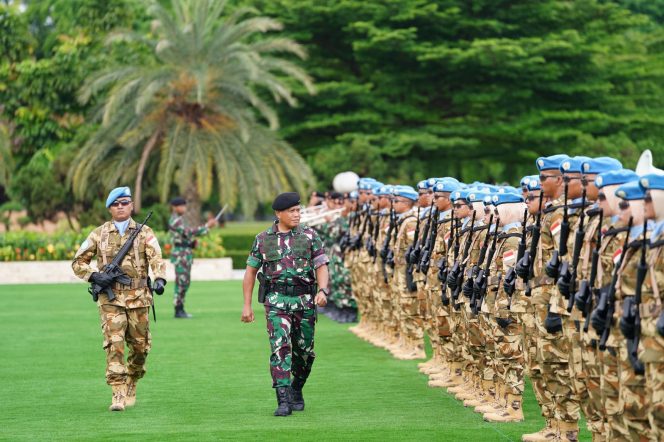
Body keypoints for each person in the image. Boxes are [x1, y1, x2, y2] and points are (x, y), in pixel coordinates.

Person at [72, 186, 166, 411]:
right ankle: (117, 393)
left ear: (132, 205)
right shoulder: (98, 234)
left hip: (139, 298)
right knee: (114, 345)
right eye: (116, 204)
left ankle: (132, 380)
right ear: (109, 208)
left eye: (125, 202)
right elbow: (78, 262)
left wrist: (160, 278)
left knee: (140, 348)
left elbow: (157, 258)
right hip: (110, 299)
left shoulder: (145, 232)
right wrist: (95, 276)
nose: (121, 207)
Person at [241, 192, 330, 417]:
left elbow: (321, 265)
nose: (297, 214)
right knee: (280, 349)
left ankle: (296, 388)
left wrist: (323, 290)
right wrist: (247, 305)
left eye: (298, 210)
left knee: (305, 352)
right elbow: (251, 272)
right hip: (276, 302)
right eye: (292, 211)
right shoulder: (263, 239)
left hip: (305, 301)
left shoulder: (310, 236)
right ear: (278, 213)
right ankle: (282, 400)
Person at [168, 197, 217, 318]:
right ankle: (178, 309)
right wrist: (206, 226)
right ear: (175, 207)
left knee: (185, 282)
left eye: (185, 205)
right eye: (181, 205)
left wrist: (191, 243)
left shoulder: (180, 219)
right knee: (181, 282)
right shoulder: (175, 220)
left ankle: (180, 308)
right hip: (181, 256)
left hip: (185, 254)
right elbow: (188, 231)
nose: (184, 208)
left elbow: (185, 236)